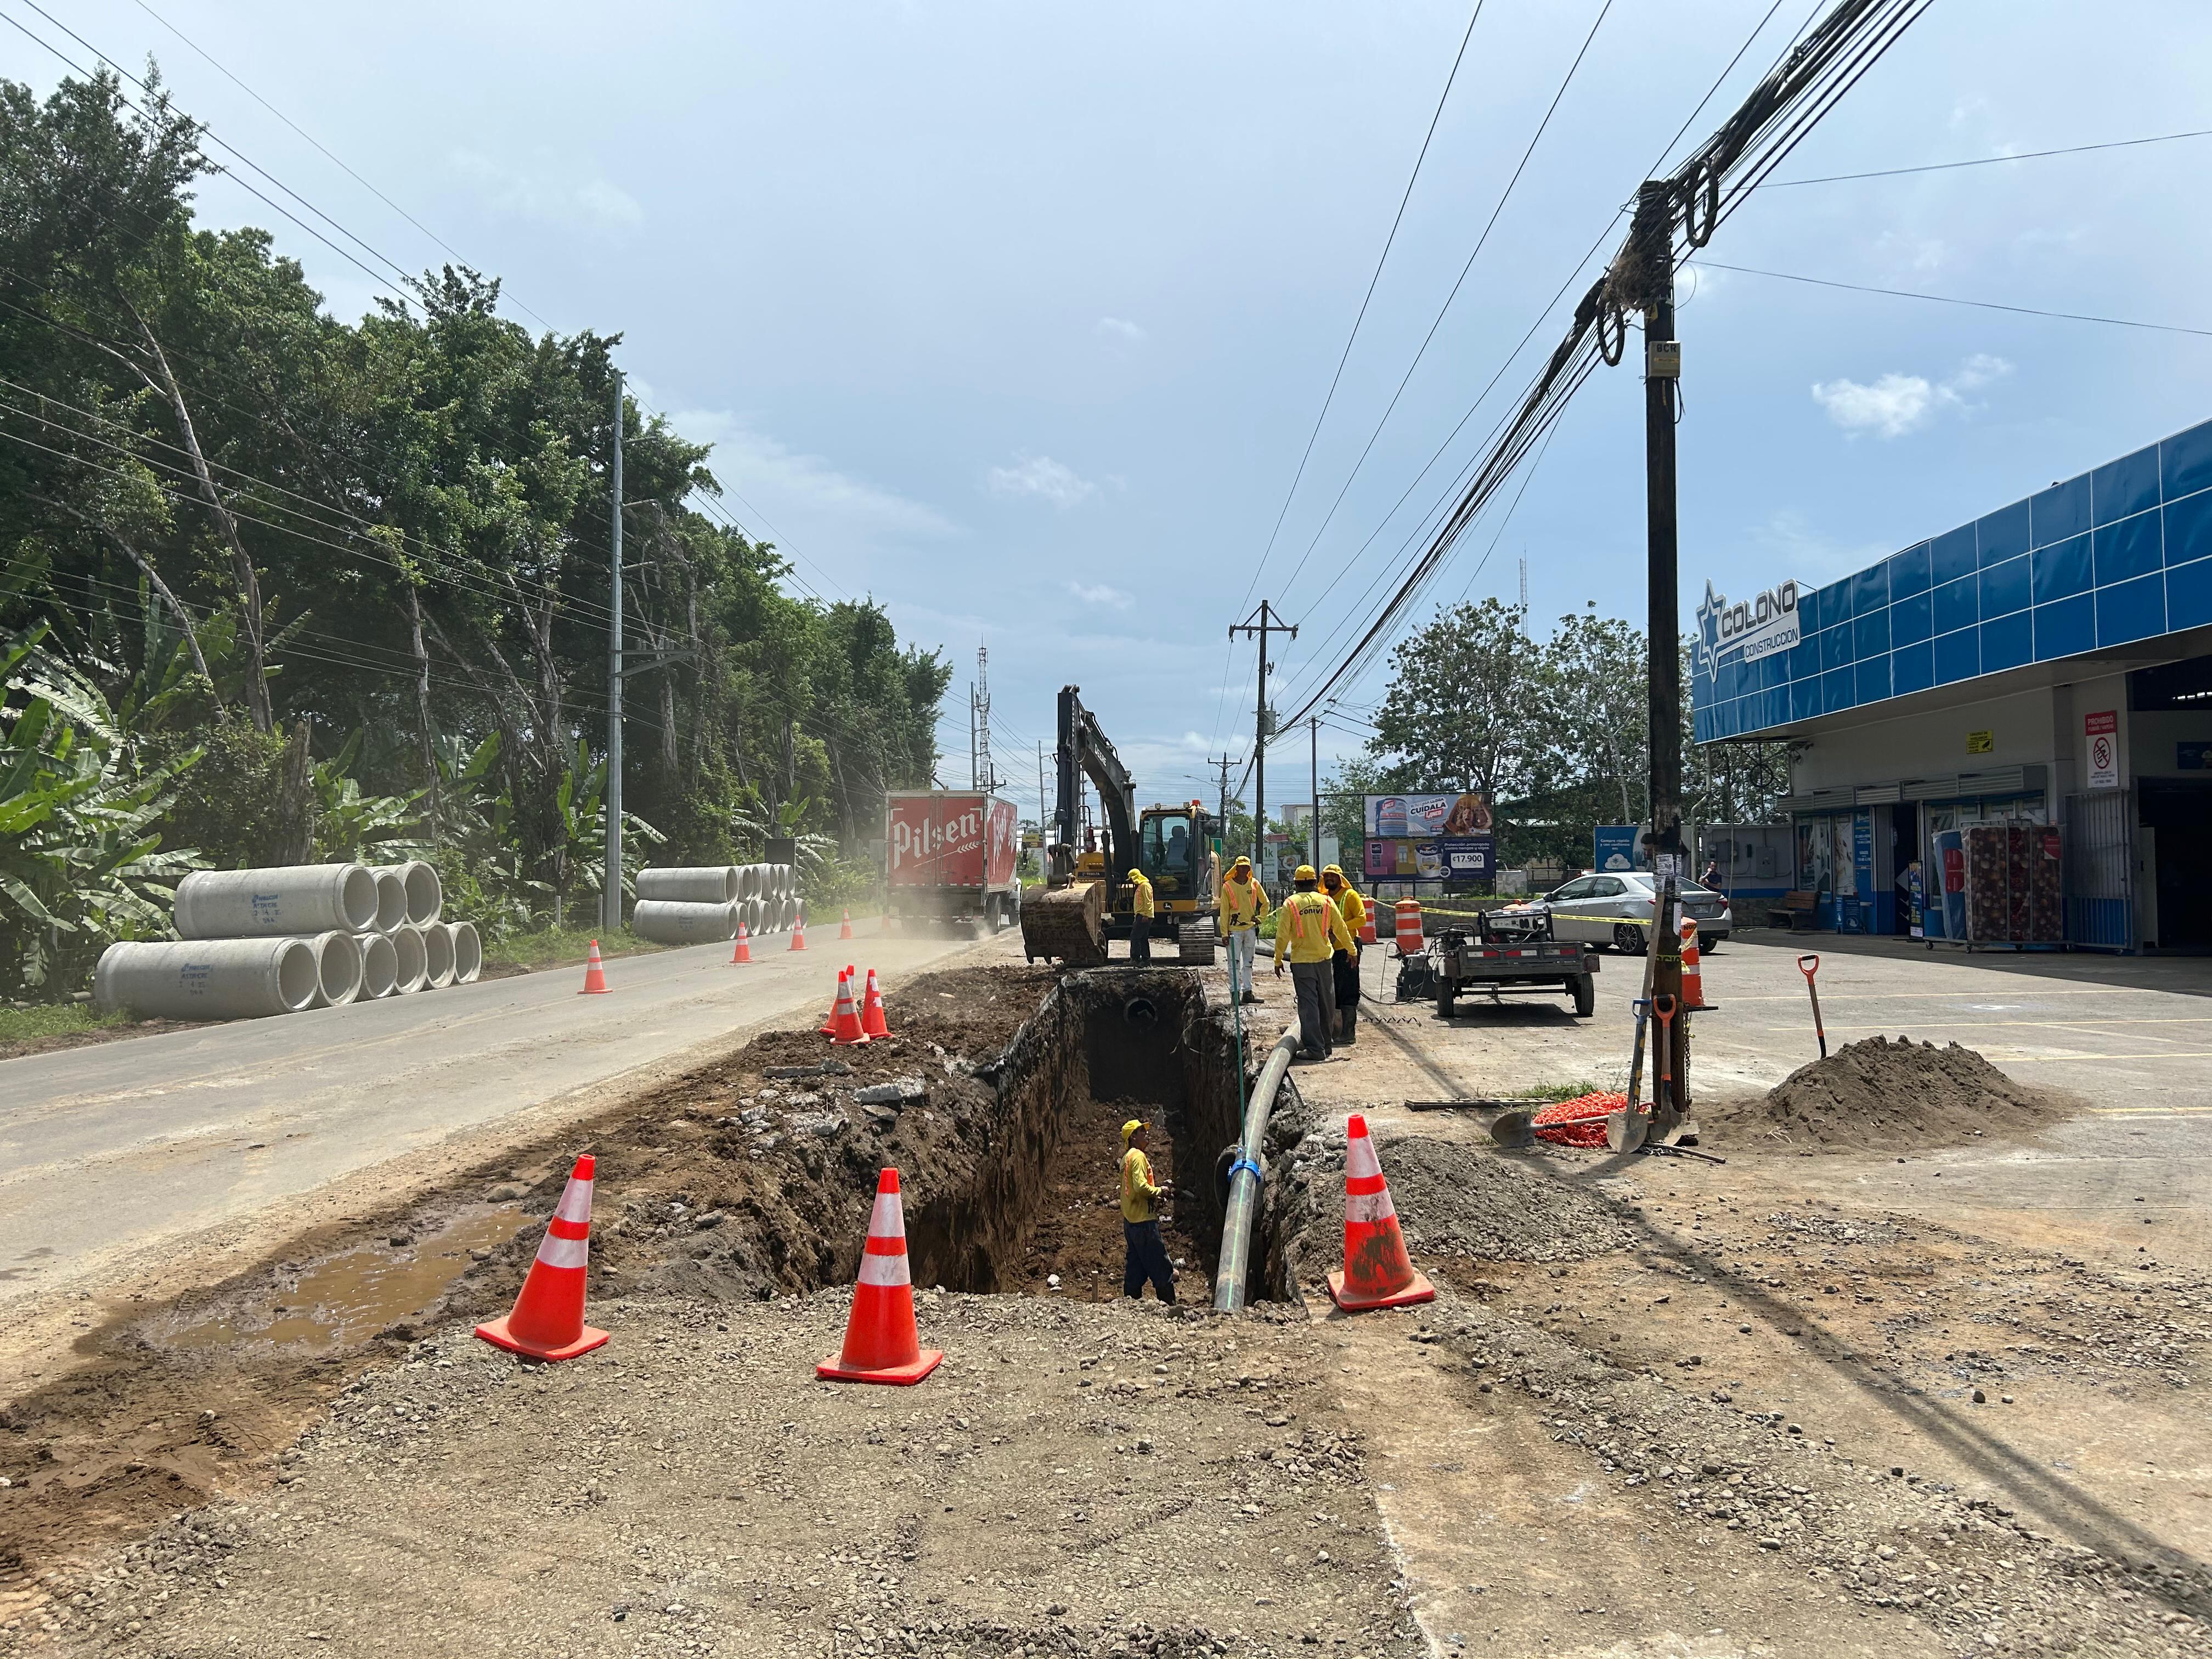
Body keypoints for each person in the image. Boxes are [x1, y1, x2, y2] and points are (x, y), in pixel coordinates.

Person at [1273, 864, 1353, 1062]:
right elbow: (1341, 928)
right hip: (1324, 960)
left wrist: (1278, 958)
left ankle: (1315, 1049)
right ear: (1316, 882)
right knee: (1326, 1003)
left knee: (1308, 1005)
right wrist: (1352, 950)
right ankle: (1326, 1045)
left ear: (1296, 884)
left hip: (1302, 962)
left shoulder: (1291, 904)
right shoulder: (1326, 901)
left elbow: (1282, 935)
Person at [1119, 1119, 1174, 1302]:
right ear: (1133, 1137)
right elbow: (1141, 1186)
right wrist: (1159, 1191)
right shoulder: (1138, 1156)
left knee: (1135, 1269)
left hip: (1131, 1222)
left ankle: (1130, 1305)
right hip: (1144, 1224)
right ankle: (1169, 1308)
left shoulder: (1127, 1158)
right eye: (1142, 1131)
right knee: (1162, 1268)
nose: (1146, 1133)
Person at [1319, 864, 1367, 1046]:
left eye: (1333, 876)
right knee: (1333, 992)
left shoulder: (1350, 895)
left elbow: (1362, 919)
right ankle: (1336, 1032)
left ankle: (1348, 1033)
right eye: (1327, 876)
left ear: (1340, 879)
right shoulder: (1324, 898)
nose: (1329, 879)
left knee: (1347, 991)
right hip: (1328, 951)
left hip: (1348, 951)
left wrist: (1339, 928)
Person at [1217, 854, 1269, 1003]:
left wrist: (1260, 918)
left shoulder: (1254, 884)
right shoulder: (1228, 887)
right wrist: (1224, 933)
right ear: (1236, 868)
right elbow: (1224, 911)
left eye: (1246, 867)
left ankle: (1248, 992)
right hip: (1234, 931)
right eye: (1241, 867)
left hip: (1250, 930)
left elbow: (1265, 903)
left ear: (1249, 869)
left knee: (1249, 962)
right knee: (1234, 963)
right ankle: (1235, 994)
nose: (1243, 870)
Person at [1126, 867, 1153, 963]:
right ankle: (1146, 960)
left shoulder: (1145, 886)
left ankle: (1135, 959)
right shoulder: (1141, 886)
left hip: (1144, 915)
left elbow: (1148, 901)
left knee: (1135, 937)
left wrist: (1146, 915)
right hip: (1141, 915)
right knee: (1143, 938)